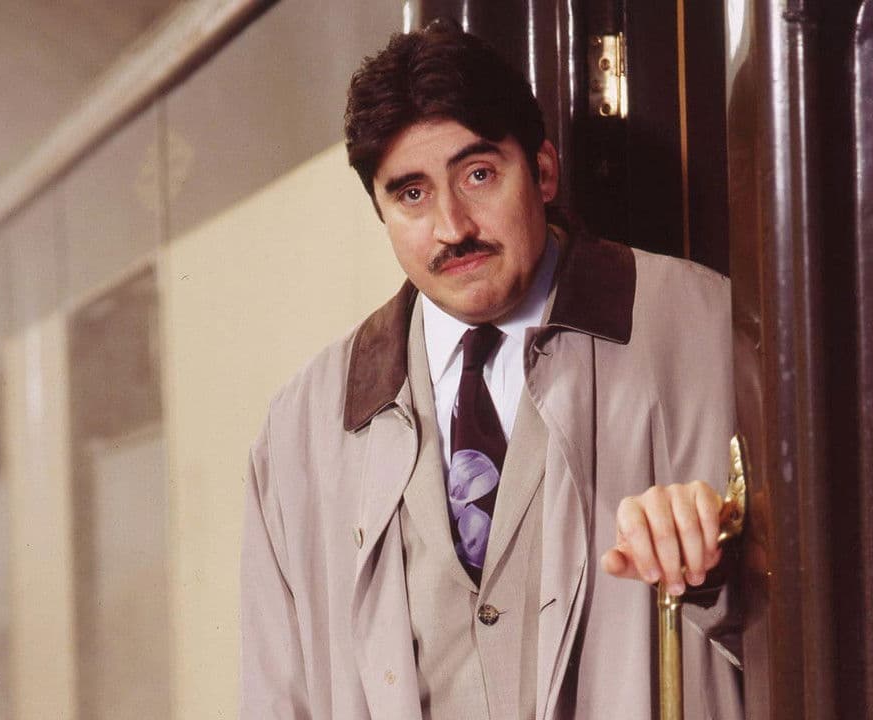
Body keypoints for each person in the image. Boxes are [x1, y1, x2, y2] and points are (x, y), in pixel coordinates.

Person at [240, 19, 741, 720]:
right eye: (411, 194)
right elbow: (276, 699)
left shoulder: (710, 329)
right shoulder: (301, 426)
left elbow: (821, 625)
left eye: (478, 175)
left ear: (542, 171)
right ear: (380, 210)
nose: (452, 226)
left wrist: (717, 570)